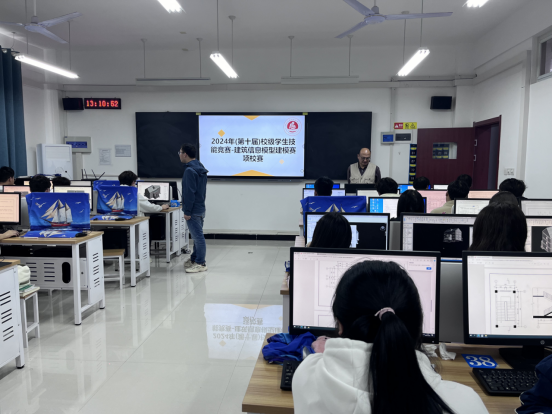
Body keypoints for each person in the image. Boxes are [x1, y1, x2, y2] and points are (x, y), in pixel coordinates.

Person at [293, 260, 488, 414]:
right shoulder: (466, 403)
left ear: (340, 325)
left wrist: (327, 351)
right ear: (416, 327)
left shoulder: (306, 377)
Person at [179, 144, 209, 273]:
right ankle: (194, 259)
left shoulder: (189, 171)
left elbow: (189, 193)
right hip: (200, 207)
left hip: (193, 209)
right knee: (197, 235)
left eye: (180, 152)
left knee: (198, 238)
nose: (179, 155)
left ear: (185, 154)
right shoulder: (200, 167)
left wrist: (187, 211)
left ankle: (200, 263)